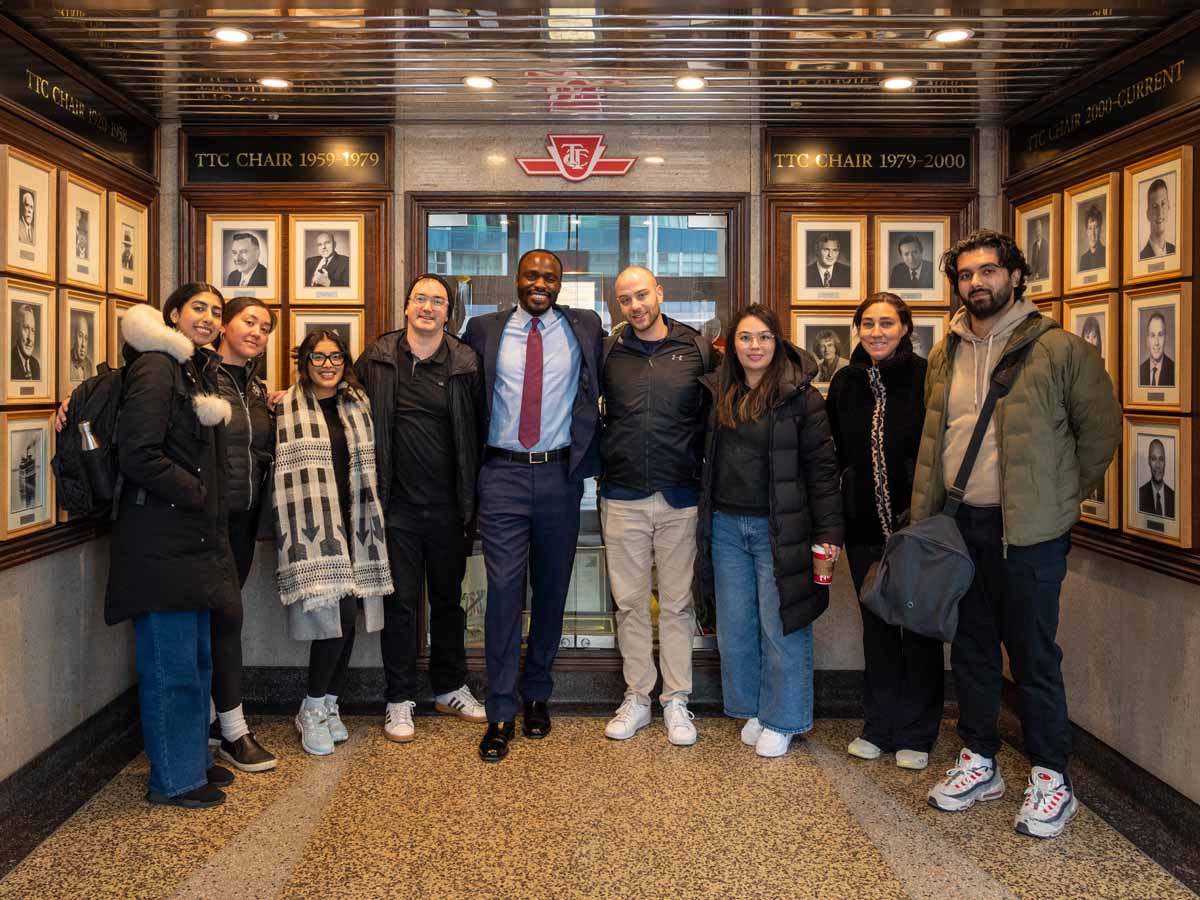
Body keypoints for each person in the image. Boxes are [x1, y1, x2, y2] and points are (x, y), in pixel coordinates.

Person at [913, 229, 1120, 839]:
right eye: (965, 274)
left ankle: (1052, 776)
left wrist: (1052, 505)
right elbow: (934, 442)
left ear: (1013, 275)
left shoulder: (1061, 351)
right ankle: (980, 759)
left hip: (1028, 534)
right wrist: (925, 519)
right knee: (971, 650)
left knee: (1032, 656)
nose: (976, 282)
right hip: (960, 528)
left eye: (987, 271)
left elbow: (1100, 436)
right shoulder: (944, 352)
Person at [463, 248, 604, 763]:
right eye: (531, 275)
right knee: (502, 591)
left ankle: (537, 694)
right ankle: (500, 707)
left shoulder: (585, 328)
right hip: (500, 474)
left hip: (560, 476)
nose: (540, 283)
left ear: (560, 285)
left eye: (549, 276)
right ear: (516, 279)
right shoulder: (483, 330)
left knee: (552, 589)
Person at [104, 283, 240, 808]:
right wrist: (198, 492)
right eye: (198, 309)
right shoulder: (157, 367)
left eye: (216, 311)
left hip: (188, 541)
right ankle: (174, 780)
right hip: (159, 540)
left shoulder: (191, 368)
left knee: (197, 660)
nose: (208, 317)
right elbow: (137, 453)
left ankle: (192, 760)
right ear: (174, 314)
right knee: (171, 669)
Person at [696, 304, 843, 758]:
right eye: (744, 338)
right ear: (732, 344)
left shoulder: (801, 397)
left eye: (763, 337)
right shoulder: (721, 390)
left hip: (780, 530)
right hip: (724, 526)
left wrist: (829, 534)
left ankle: (785, 717)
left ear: (777, 342)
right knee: (737, 627)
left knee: (782, 624)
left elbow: (823, 471)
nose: (753, 346)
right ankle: (756, 708)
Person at [355, 273, 487, 743]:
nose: (428, 307)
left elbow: (481, 428)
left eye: (438, 301)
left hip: (451, 507)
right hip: (396, 508)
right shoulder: (378, 357)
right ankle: (398, 698)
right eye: (420, 299)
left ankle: (450, 687)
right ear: (406, 307)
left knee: (450, 603)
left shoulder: (466, 361)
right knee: (401, 604)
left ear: (449, 312)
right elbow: (344, 405)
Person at [599, 265, 716, 746]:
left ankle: (676, 701)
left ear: (660, 293)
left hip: (680, 498)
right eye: (625, 299)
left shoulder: (697, 350)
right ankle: (638, 698)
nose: (635, 306)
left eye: (642, 295)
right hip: (622, 496)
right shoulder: (609, 352)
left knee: (675, 605)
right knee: (629, 605)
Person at [826, 292, 941, 772]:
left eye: (887, 323)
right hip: (862, 528)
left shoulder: (926, 379)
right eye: (867, 323)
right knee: (876, 626)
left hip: (915, 529)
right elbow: (833, 451)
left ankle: (917, 733)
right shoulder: (846, 383)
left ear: (906, 328)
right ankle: (878, 726)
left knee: (916, 628)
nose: (876, 332)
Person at [272, 329, 392, 757]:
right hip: (313, 528)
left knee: (352, 616)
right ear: (304, 362)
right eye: (317, 357)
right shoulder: (284, 406)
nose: (327, 364)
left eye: (335, 356)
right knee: (335, 615)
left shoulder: (357, 404)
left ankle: (330, 703)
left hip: (355, 521)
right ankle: (311, 706)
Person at [208, 297, 278, 772]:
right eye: (248, 321)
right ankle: (233, 728)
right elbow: (120, 381)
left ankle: (214, 719)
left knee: (224, 618)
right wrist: (77, 400)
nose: (257, 331)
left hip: (246, 520)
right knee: (225, 618)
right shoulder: (195, 373)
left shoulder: (255, 387)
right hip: (205, 520)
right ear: (224, 326)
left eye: (266, 326)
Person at [1140, 178, 1175, 260]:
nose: (1159, 213)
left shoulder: (1176, 251)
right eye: (1155, 207)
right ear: (1148, 214)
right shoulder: (1141, 257)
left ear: (1169, 206)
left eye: (1163, 204)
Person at [1138, 438, 1174, 518]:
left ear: (1165, 462)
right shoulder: (1139, 495)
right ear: (1149, 462)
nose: (1158, 465)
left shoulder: (1174, 498)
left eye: (1161, 459)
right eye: (1153, 459)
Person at [1138, 311, 1174, 387]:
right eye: (1152, 335)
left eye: (1160, 335)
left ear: (1166, 339)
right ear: (1147, 341)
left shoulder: (1175, 371)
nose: (1156, 342)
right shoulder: (1139, 371)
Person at [11, 303, 39, 380]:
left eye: (33, 330)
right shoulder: (8, 363)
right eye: (26, 328)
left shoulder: (36, 365)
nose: (30, 338)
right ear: (17, 330)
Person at [1078, 205, 1105, 270]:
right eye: (1090, 228)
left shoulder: (1106, 254)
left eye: (1096, 227)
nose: (1093, 234)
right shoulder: (1083, 259)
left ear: (1100, 230)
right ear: (1087, 231)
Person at [68, 312, 93, 382]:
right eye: (80, 336)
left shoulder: (89, 365)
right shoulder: (66, 362)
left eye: (86, 338)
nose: (83, 344)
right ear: (74, 337)